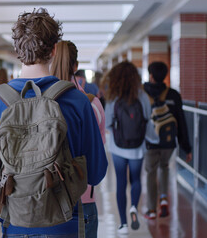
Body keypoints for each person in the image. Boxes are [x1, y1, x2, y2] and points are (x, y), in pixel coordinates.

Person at [0, 8, 108, 237]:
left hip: (15, 221)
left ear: (17, 49)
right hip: (66, 220)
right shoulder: (77, 100)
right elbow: (96, 173)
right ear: (54, 49)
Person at [51, 40, 105, 238]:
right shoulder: (92, 104)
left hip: (45, 198)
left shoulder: (36, 102)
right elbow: (97, 166)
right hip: (83, 199)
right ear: (76, 66)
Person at [103, 61, 158, 235]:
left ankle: (123, 224)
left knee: (120, 182)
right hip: (137, 148)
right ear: (135, 77)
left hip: (118, 148)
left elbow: (108, 123)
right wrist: (154, 139)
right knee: (135, 180)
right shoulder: (142, 95)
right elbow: (147, 121)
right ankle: (134, 206)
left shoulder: (113, 97)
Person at [143, 61, 192, 219]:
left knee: (151, 172)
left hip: (150, 142)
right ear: (164, 76)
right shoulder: (173, 94)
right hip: (169, 142)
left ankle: (151, 210)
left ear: (151, 75)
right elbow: (181, 121)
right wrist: (187, 147)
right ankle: (163, 199)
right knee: (164, 167)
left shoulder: (143, 93)